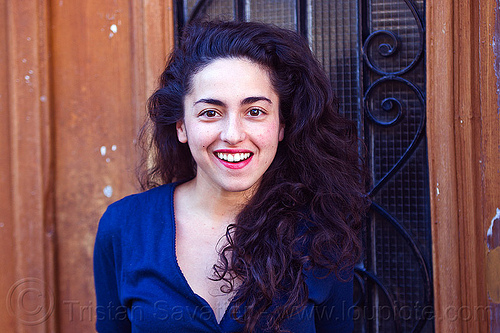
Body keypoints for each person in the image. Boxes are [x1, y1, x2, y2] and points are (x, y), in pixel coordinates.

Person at [93, 20, 368, 333]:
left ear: (281, 124)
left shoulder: (321, 232)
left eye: (254, 112)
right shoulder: (124, 226)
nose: (233, 135)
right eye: (210, 112)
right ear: (181, 125)